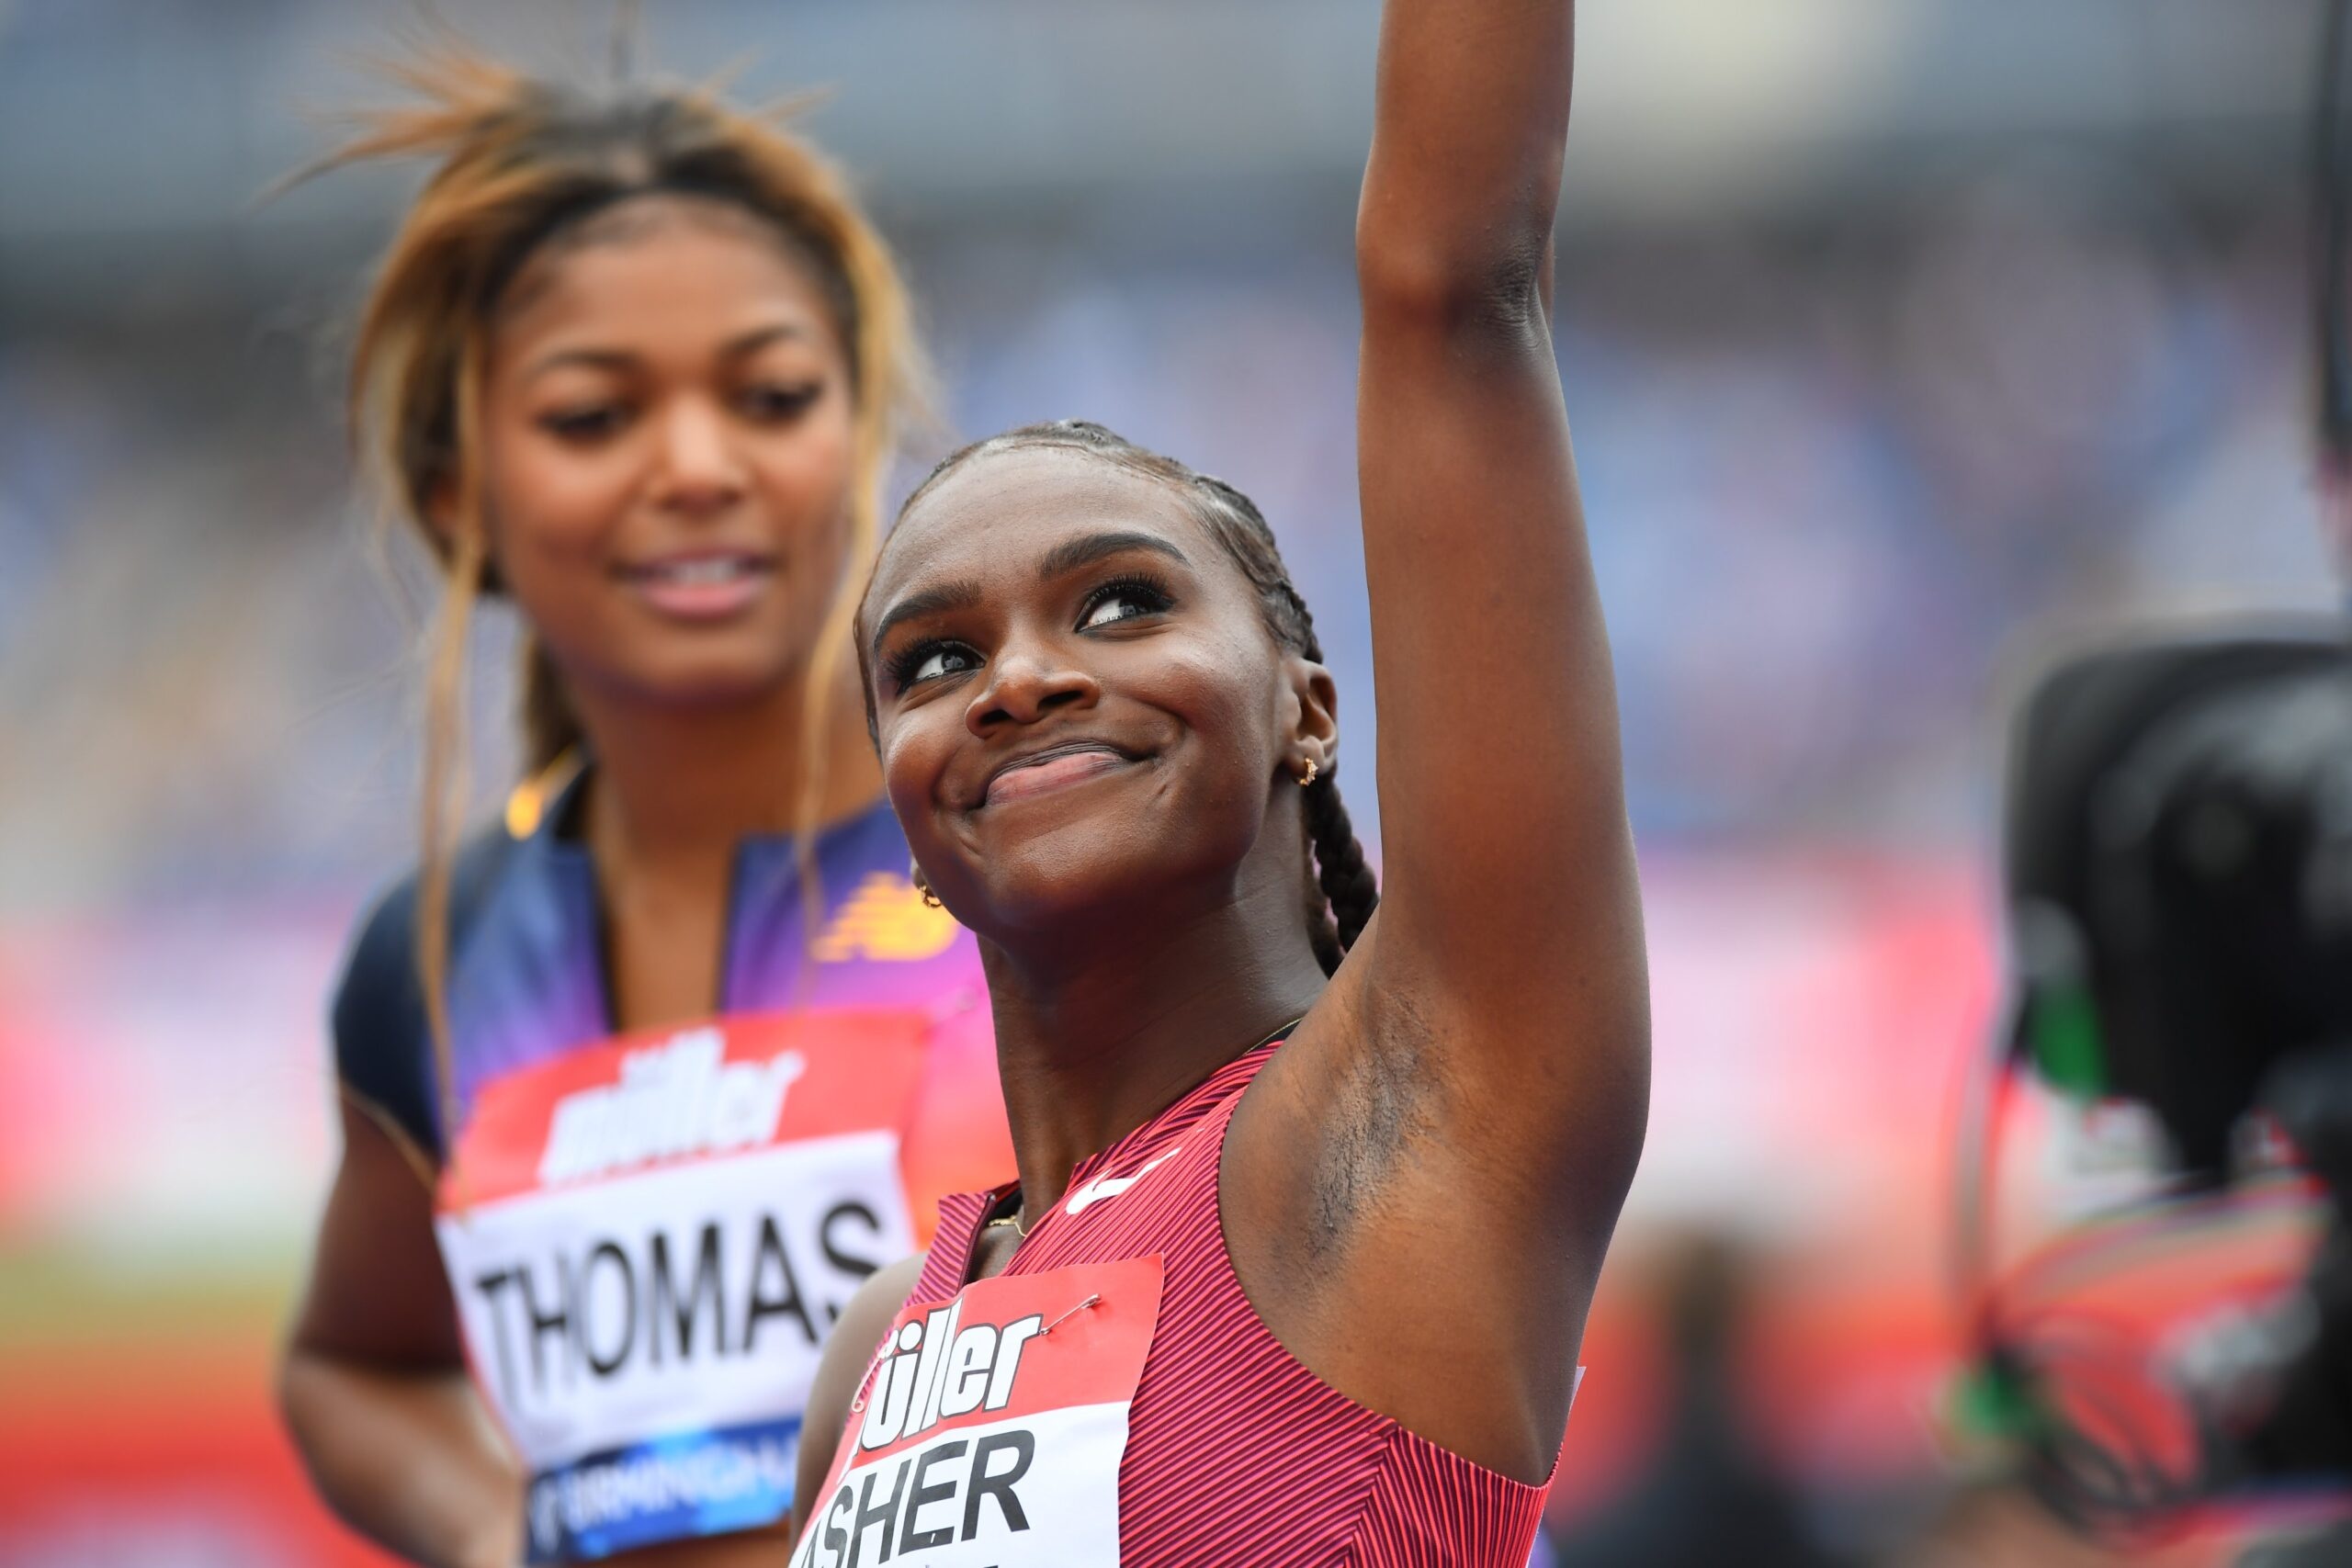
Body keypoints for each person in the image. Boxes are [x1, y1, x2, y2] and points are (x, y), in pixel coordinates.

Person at [788, 0, 1648, 1561]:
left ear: (1307, 715)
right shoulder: (875, 1350)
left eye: (1121, 601)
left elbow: (1455, 289)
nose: (1022, 677)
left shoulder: (1409, 1128)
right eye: (931, 660)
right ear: (908, 819)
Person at [276, 56, 1009, 1568]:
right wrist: (496, 1536)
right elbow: (355, 1366)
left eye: (773, 396)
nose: (697, 467)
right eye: (596, 416)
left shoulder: (1058, 846)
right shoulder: (437, 956)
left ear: (859, 435)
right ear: (458, 492)